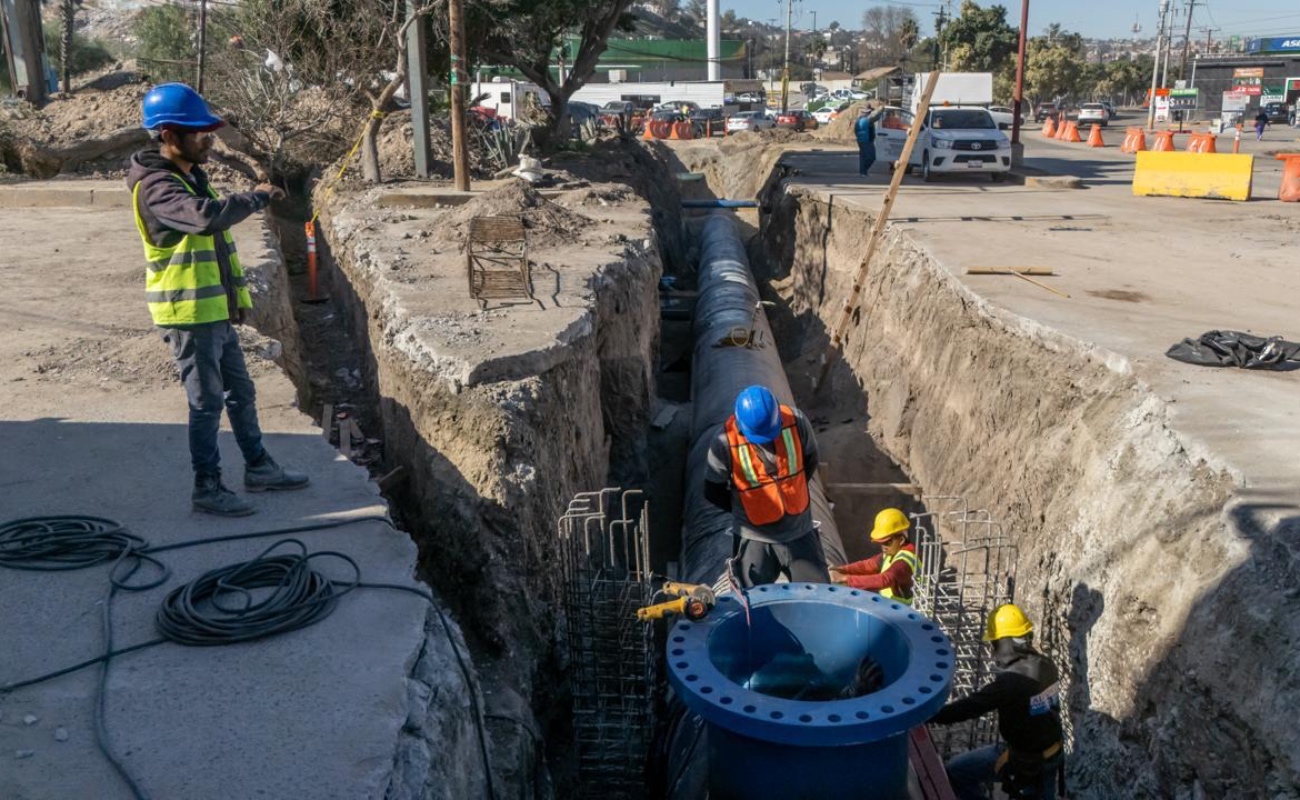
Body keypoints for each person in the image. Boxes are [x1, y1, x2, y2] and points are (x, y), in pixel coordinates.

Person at [128, 83, 309, 517]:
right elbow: (206, 221)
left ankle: (259, 467)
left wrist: (234, 301)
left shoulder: (189, 176)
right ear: (170, 136)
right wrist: (258, 196)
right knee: (206, 401)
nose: (209, 139)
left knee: (241, 391)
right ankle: (206, 487)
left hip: (213, 310)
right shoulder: (157, 187)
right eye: (200, 132)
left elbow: (214, 251)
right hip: (188, 313)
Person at [930, 604, 1065, 800]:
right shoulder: (1045, 664)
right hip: (1049, 753)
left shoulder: (1012, 682)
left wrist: (930, 714)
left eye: (995, 642)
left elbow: (969, 708)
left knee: (957, 773)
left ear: (1005, 643)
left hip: (1029, 762)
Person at [704, 385, 829, 587]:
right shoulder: (725, 441)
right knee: (750, 602)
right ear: (740, 423)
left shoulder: (796, 422)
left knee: (818, 593)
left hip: (799, 530)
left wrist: (792, 491)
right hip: (754, 537)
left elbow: (811, 460)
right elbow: (712, 490)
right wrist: (743, 508)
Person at [828, 507, 919, 604]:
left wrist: (844, 579)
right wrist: (840, 569)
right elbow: (867, 565)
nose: (883, 547)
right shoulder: (892, 553)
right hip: (893, 607)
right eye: (881, 543)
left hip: (907, 614)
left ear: (901, 540)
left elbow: (885, 579)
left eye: (887, 542)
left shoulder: (904, 562)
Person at [854, 101, 885, 177]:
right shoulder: (868, 119)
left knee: (863, 157)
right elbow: (876, 116)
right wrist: (881, 110)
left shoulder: (858, 120)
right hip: (867, 140)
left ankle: (862, 172)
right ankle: (864, 170)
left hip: (860, 140)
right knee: (872, 157)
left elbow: (855, 130)